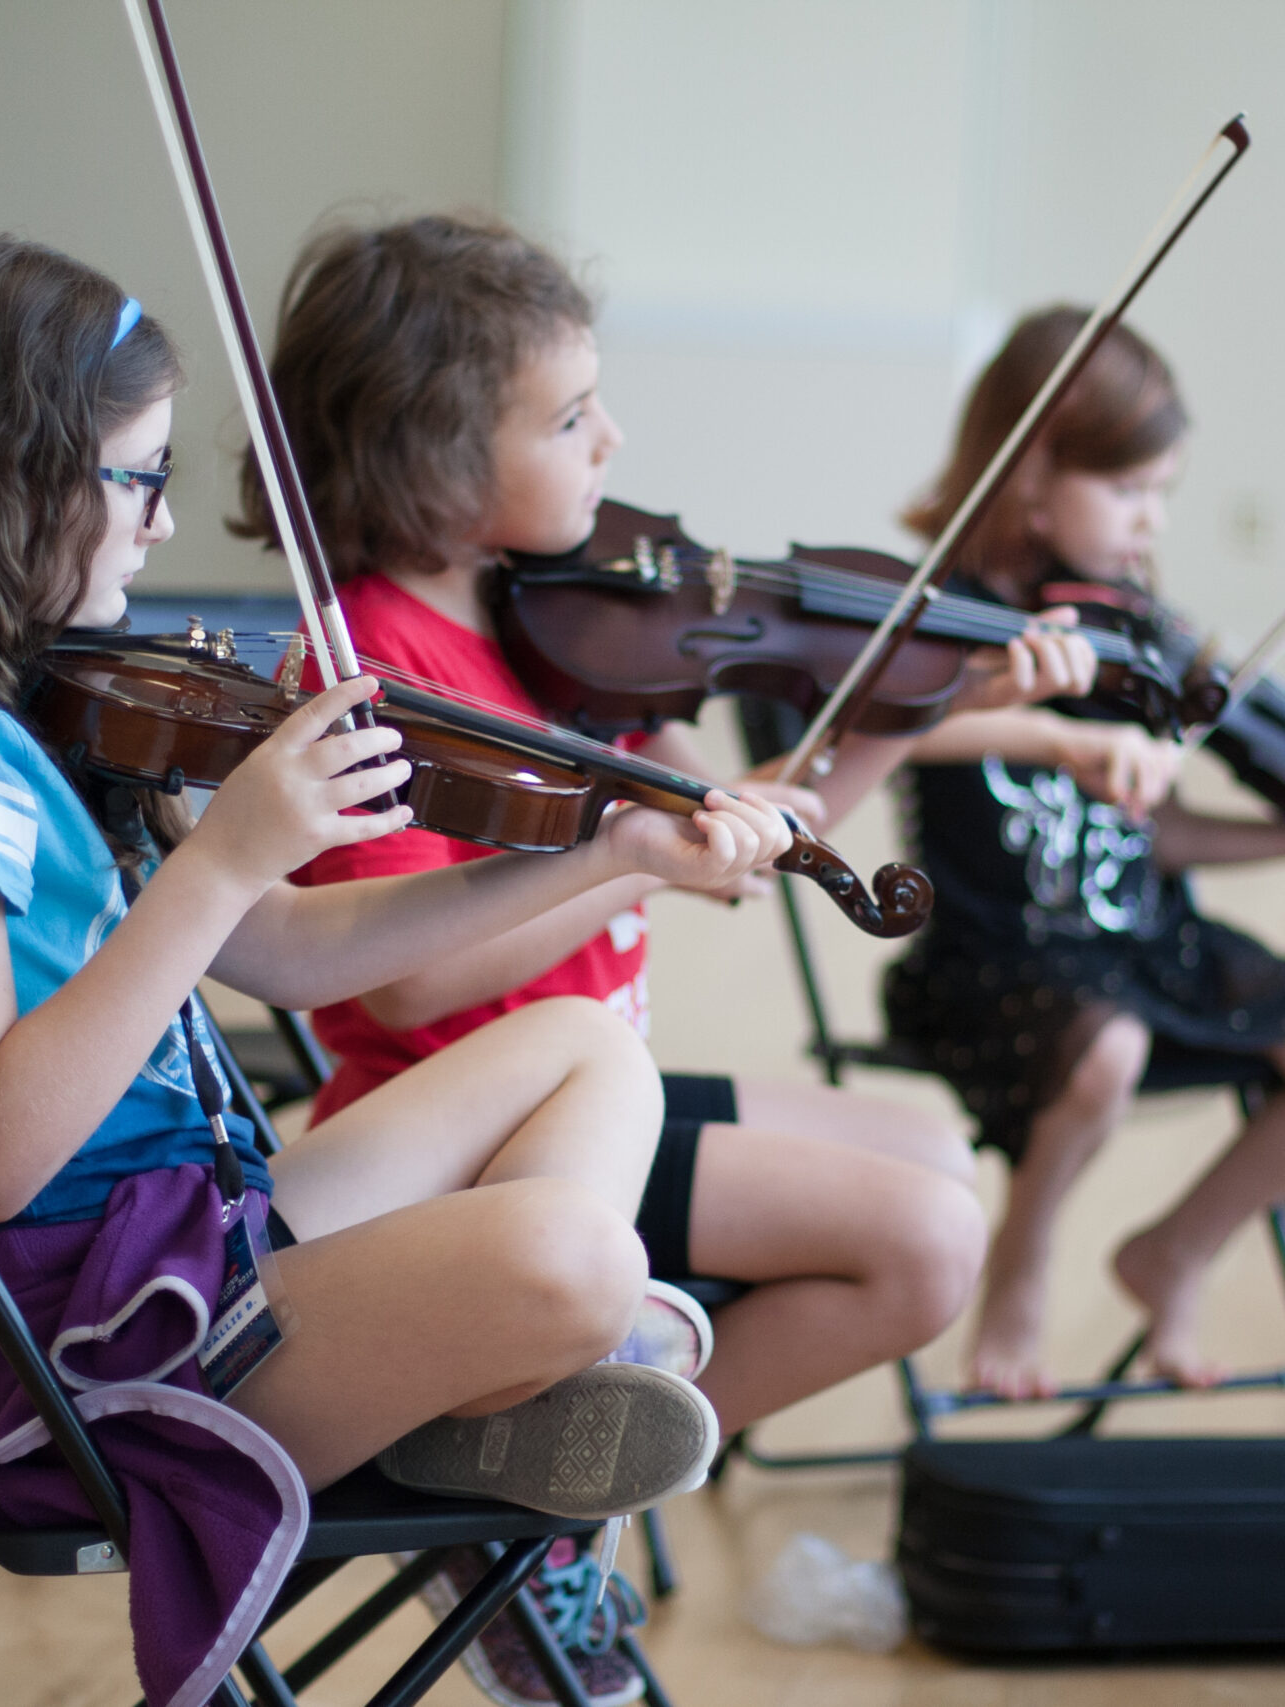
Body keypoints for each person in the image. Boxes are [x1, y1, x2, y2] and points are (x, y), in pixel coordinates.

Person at [0, 231, 794, 1706]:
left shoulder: (13, 683)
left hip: (188, 1241)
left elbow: (297, 956)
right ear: (5, 473)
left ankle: (481, 1384)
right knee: (579, 1256)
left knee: (581, 1043)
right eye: (139, 477)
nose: (165, 524)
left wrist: (606, 855)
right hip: (83, 1332)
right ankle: (507, 1367)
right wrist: (220, 855)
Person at [236, 215, 1109, 1703]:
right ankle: (534, 1518)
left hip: (602, 1087)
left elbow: (766, 840)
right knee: (927, 1242)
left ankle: (534, 1463)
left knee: (933, 1158)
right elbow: (409, 985)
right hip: (485, 1137)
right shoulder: (373, 667)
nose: (612, 439)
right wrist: (622, 850)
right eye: (570, 416)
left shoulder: (583, 621)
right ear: (441, 452)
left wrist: (920, 694)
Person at [887, 307, 1285, 1400]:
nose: (1149, 524)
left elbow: (1161, 838)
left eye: (1163, 494)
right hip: (993, 963)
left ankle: (1177, 1251)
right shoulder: (942, 621)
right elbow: (885, 731)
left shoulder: (1128, 628)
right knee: (1103, 1050)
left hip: (1145, 947)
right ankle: (1022, 1264)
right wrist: (1055, 732)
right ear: (1028, 472)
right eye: (1127, 492)